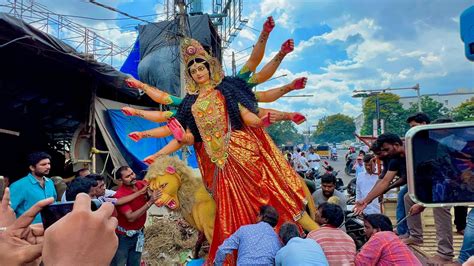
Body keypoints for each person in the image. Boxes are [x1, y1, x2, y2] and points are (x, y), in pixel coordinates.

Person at [121, 18, 319, 262]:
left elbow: (252, 80)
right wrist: (146, 123)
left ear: (209, 67)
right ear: (190, 75)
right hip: (220, 166)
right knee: (228, 209)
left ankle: (282, 235)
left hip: (242, 152)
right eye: (193, 70)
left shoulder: (227, 89)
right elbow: (177, 123)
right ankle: (237, 250)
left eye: (201, 67)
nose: (198, 72)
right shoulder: (190, 103)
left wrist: (267, 37)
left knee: (264, 195)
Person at [354, 133, 408, 236]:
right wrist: (368, 199)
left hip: (419, 181)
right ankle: (403, 230)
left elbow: (397, 180)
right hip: (411, 181)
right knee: (403, 197)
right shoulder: (388, 158)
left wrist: (386, 189)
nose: (379, 156)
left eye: (382, 152)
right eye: (377, 154)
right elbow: (381, 179)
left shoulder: (395, 157)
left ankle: (405, 231)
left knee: (403, 196)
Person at [111, 166, 160, 266]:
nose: (132, 177)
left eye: (132, 173)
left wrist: (151, 194)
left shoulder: (141, 184)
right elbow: (131, 217)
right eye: (128, 176)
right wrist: (150, 202)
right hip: (123, 237)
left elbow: (150, 191)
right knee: (119, 263)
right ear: (120, 180)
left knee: (135, 263)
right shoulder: (120, 195)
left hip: (138, 234)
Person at [214, 205, 282, 265]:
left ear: (261, 217)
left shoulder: (244, 230)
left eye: (257, 215)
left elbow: (222, 250)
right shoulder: (278, 240)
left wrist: (217, 264)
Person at [10, 151, 57, 224]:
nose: (48, 167)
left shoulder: (50, 182)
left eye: (49, 163)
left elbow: (54, 204)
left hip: (50, 228)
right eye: (43, 164)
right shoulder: (18, 186)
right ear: (32, 167)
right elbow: (8, 210)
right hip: (27, 231)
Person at [355, 214, 421, 266]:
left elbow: (361, 264)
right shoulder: (393, 238)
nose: (364, 230)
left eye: (367, 227)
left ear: (378, 230)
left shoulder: (380, 236)